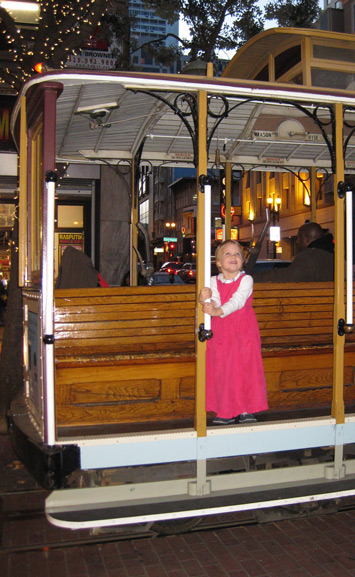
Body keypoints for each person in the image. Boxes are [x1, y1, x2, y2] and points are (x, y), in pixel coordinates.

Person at [199, 240, 268, 425]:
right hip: (221, 331)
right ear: (219, 263)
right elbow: (215, 300)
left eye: (237, 254)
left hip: (243, 330)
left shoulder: (246, 280)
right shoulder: (213, 281)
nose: (233, 257)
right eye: (228, 254)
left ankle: (246, 408)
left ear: (243, 261)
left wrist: (217, 312)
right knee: (223, 370)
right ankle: (225, 409)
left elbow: (237, 301)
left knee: (244, 368)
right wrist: (204, 300)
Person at [253, 222, 334, 283]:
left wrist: (254, 278)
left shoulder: (310, 257)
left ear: (307, 239)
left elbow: (289, 276)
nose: (297, 241)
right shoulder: (332, 256)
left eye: (299, 237)